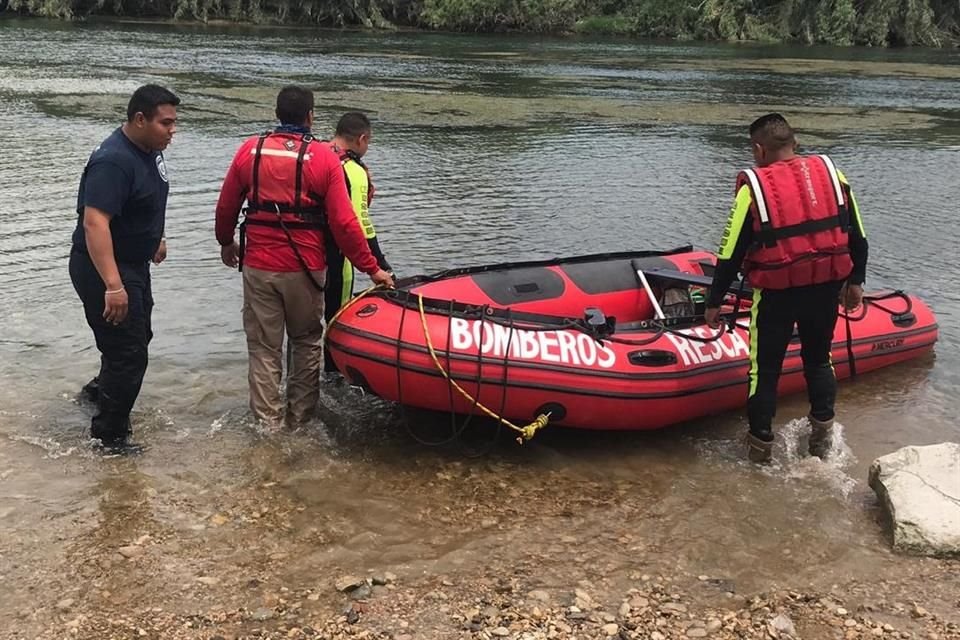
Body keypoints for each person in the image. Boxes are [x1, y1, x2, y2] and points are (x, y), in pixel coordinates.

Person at [215, 86, 394, 430]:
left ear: (277, 113)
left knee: (264, 348)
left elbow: (226, 206)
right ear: (310, 116)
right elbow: (345, 224)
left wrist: (226, 242)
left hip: (259, 265)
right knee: (307, 342)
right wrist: (372, 269)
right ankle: (300, 421)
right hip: (306, 268)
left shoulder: (250, 150)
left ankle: (267, 426)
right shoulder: (325, 158)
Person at [704, 113, 868, 463]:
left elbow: (730, 252)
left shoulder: (753, 188)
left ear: (759, 149)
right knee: (819, 360)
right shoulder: (833, 175)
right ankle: (822, 441)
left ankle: (760, 451)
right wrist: (856, 281)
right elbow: (858, 234)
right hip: (825, 287)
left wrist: (714, 300)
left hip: (776, 294)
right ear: (795, 143)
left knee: (763, 371)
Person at [69, 84, 180, 449]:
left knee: (137, 338)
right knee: (129, 354)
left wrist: (156, 237)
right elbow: (94, 224)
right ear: (140, 119)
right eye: (166, 123)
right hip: (104, 267)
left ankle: (97, 394)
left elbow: (148, 199)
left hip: (132, 263)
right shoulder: (114, 161)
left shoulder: (149, 149)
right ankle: (109, 438)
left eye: (174, 122)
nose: (173, 130)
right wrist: (113, 286)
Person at [323, 112, 392, 378]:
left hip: (306, 254)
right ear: (362, 139)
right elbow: (361, 223)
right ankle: (333, 375)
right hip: (338, 257)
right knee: (336, 317)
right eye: (368, 142)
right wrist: (380, 265)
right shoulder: (354, 170)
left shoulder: (316, 153)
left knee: (304, 326)